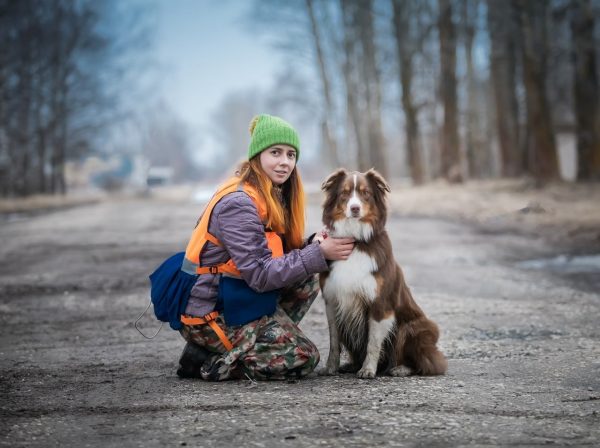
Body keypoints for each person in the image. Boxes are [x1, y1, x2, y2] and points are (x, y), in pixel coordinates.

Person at [176, 113, 354, 381]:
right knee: (303, 356)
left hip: (238, 298)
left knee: (308, 276)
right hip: (212, 313)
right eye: (275, 152)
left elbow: (271, 256)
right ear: (257, 155)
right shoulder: (239, 204)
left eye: (291, 154)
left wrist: (311, 246)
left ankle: (257, 338)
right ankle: (207, 358)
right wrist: (317, 254)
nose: (285, 162)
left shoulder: (267, 194)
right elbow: (260, 275)